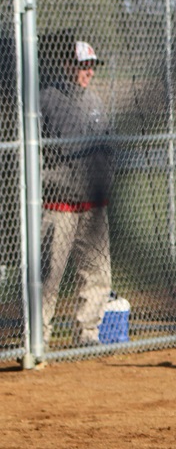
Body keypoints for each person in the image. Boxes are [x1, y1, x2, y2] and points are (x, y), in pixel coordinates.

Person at [40, 37, 113, 347]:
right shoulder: (47, 99)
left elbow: (107, 143)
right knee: (48, 274)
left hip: (93, 204)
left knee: (97, 273)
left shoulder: (95, 101)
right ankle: (38, 337)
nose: (89, 72)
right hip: (59, 203)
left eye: (92, 66)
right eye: (83, 66)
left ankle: (87, 333)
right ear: (67, 65)